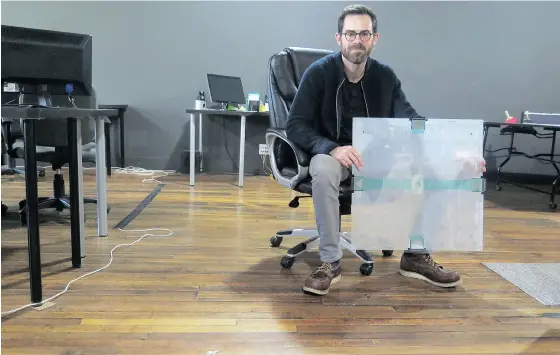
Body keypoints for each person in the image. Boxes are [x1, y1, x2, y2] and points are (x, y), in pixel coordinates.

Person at [286, 4, 486, 296]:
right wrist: (330, 148)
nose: (357, 40)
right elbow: (296, 125)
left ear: (374, 39)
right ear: (338, 38)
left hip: (376, 155)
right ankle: (330, 262)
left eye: (364, 33)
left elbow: (411, 120)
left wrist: (453, 151)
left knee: (439, 166)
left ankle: (416, 255)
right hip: (333, 154)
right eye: (350, 33)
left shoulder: (385, 76)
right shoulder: (318, 74)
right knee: (324, 167)